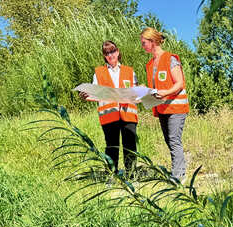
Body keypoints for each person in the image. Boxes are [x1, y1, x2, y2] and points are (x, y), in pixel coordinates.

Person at [79, 40, 139, 179]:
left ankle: (131, 176)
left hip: (128, 114)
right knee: (112, 146)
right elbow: (95, 93)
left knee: (129, 145)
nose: (110, 55)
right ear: (104, 56)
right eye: (107, 53)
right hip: (109, 115)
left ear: (117, 52)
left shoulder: (130, 71)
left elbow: (135, 92)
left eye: (112, 51)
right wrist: (86, 95)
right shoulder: (98, 73)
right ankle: (112, 175)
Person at [140, 27, 189, 181]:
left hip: (176, 107)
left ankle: (178, 176)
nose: (142, 46)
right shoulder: (149, 64)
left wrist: (164, 93)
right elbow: (156, 87)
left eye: (144, 43)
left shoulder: (170, 59)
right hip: (162, 108)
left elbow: (179, 83)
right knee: (169, 140)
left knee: (174, 140)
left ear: (153, 42)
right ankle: (178, 170)